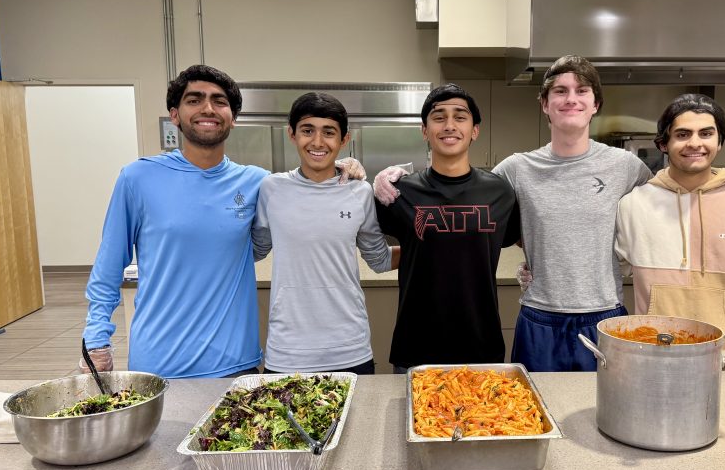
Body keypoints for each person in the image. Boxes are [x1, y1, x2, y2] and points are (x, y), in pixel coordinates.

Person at [376, 55, 725, 372]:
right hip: (538, 318)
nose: (571, 98)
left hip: (605, 318)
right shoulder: (514, 171)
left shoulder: (626, 168)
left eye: (582, 91)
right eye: (561, 91)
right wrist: (385, 176)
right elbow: (463, 195)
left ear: (595, 104)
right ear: (545, 105)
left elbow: (683, 188)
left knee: (602, 421)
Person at [81, 65, 363, 379]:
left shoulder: (257, 183)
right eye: (194, 100)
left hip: (237, 365)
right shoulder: (137, 178)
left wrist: (341, 165)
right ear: (175, 115)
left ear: (233, 117)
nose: (207, 108)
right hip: (160, 363)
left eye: (219, 101)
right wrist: (96, 338)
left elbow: (305, 187)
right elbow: (108, 268)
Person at [614, 93, 725, 369]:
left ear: (719, 142)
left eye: (706, 133)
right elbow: (610, 267)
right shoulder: (632, 204)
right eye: (682, 134)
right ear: (664, 143)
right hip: (652, 360)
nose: (695, 143)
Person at [374, 83, 521, 373]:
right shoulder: (399, 191)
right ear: (424, 130)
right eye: (439, 117)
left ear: (474, 130)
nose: (449, 125)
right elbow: (365, 244)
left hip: (482, 349)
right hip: (416, 348)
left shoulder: (500, 192)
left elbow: (526, 242)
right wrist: (350, 169)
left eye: (460, 116)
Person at [251, 92, 397, 376]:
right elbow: (255, 250)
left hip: (350, 347)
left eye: (329, 132)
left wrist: (433, 248)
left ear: (344, 139)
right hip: (287, 351)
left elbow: (378, 260)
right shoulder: (271, 189)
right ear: (292, 134)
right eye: (307, 130)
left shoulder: (360, 192)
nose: (317, 142)